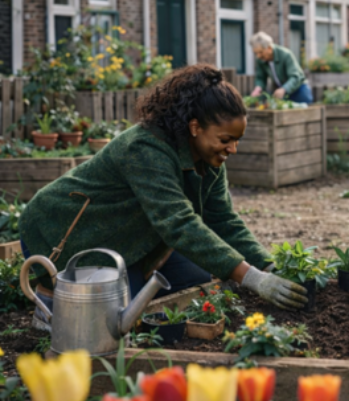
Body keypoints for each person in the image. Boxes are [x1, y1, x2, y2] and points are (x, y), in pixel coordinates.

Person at [20, 64, 308, 332]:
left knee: (197, 278)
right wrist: (253, 279)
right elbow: (178, 223)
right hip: (65, 232)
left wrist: (269, 267)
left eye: (237, 140)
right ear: (195, 127)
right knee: (112, 318)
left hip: (124, 235)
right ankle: (50, 298)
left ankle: (138, 273)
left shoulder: (209, 159)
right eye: (225, 140)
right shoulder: (145, 148)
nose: (232, 149)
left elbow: (223, 219)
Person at [249, 32, 312, 104]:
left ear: (269, 48)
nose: (258, 56)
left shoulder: (286, 55)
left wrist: (284, 89)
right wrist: (258, 87)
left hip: (299, 90)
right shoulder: (261, 60)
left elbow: (295, 77)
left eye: (260, 52)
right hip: (282, 91)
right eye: (256, 53)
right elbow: (261, 77)